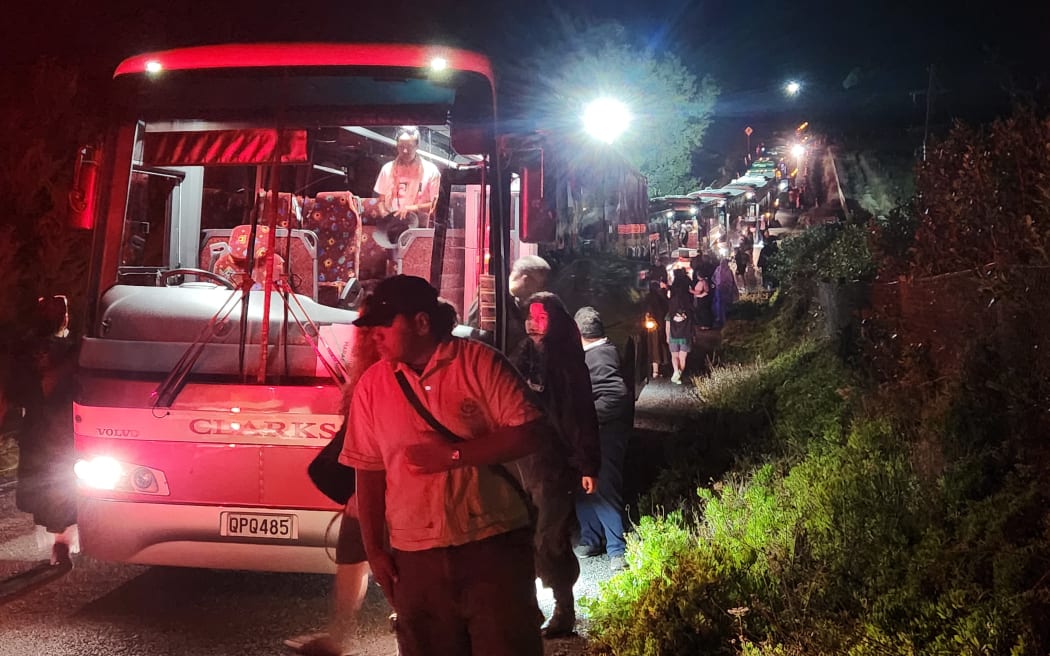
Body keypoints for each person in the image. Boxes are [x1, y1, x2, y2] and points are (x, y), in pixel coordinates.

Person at [341, 275, 546, 656]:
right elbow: (368, 470)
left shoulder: (479, 364)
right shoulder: (373, 386)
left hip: (492, 544)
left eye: (386, 324)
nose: (375, 335)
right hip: (415, 556)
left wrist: (454, 455)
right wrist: (375, 550)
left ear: (421, 322)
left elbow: (532, 432)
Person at [285, 312, 382, 656]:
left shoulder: (381, 373)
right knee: (352, 557)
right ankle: (340, 635)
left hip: (378, 483)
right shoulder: (371, 371)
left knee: (371, 560)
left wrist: (362, 489)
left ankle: (347, 637)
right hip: (364, 482)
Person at [510, 291, 601, 638]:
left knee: (550, 537)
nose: (533, 323)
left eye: (541, 317)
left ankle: (564, 610)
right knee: (521, 535)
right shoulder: (521, 355)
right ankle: (528, 608)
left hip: (552, 464)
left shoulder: (567, 363)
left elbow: (580, 415)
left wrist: (587, 464)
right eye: (530, 316)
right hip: (520, 462)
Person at [11, 295, 79, 566]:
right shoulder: (68, 350)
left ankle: (60, 542)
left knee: (53, 483)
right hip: (59, 427)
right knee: (60, 483)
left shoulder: (26, 348)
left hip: (44, 427)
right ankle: (60, 542)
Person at [572, 307, 632, 572]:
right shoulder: (597, 352)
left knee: (604, 488)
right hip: (593, 434)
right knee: (584, 487)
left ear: (579, 334)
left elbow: (615, 395)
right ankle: (591, 539)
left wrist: (584, 417)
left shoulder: (599, 356)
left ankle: (617, 549)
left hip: (605, 435)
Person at [373, 126, 441, 225]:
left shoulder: (431, 170)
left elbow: (435, 205)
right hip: (393, 225)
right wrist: (385, 215)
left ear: (417, 146)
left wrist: (410, 208)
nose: (405, 151)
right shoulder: (387, 169)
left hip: (420, 225)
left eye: (409, 146)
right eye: (401, 146)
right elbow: (381, 201)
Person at [666, 270, 694, 384]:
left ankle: (676, 372)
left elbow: (668, 321)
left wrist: (667, 336)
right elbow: (692, 319)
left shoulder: (671, 306)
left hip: (673, 333)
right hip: (685, 334)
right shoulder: (688, 304)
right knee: (683, 357)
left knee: (674, 356)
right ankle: (679, 375)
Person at [644, 280, 670, 378]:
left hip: (652, 326)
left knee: (654, 345)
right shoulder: (662, 297)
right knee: (660, 345)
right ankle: (659, 368)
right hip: (661, 324)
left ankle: (655, 370)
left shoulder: (648, 298)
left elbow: (646, 311)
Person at [712, 257, 738, 328]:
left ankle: (724, 320)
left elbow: (730, 281)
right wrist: (717, 284)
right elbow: (714, 278)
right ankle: (721, 320)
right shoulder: (719, 269)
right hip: (721, 289)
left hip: (724, 290)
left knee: (723, 305)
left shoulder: (726, 270)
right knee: (720, 305)